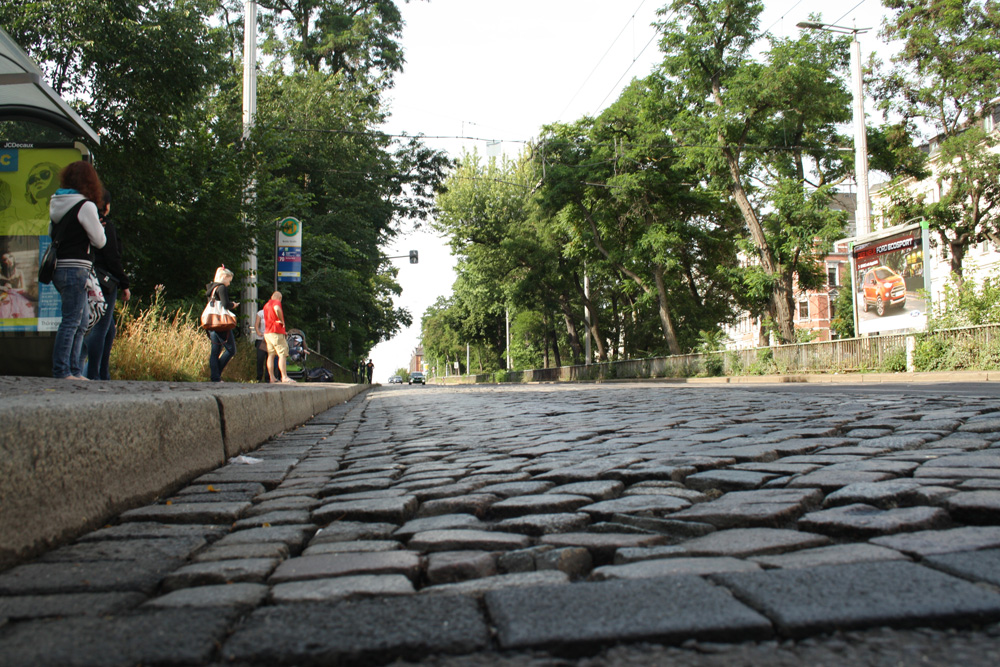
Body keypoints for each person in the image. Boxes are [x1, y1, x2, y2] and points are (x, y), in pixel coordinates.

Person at [49, 161, 106, 380]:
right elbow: (99, 240)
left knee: (81, 321)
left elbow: (51, 232)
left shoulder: (56, 203)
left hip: (59, 267)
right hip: (76, 267)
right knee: (72, 320)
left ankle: (74, 369)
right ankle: (62, 371)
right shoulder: (86, 206)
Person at [83, 189, 130, 380]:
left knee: (109, 329)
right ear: (107, 206)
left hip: (89, 277)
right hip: (105, 281)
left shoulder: (85, 223)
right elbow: (112, 257)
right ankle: (93, 374)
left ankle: (103, 372)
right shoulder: (105, 225)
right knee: (101, 328)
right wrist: (124, 282)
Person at [206, 266, 238, 382]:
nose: (229, 283)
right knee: (231, 350)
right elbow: (225, 304)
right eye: (229, 280)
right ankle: (216, 373)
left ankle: (215, 377)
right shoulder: (221, 288)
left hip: (211, 322)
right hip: (221, 323)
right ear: (224, 277)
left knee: (215, 351)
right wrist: (233, 305)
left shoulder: (211, 288)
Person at [263, 290, 295, 384]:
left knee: (271, 355)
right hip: (276, 332)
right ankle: (284, 376)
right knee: (282, 354)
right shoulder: (276, 302)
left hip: (267, 333)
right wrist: (281, 320)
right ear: (279, 298)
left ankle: (272, 377)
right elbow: (277, 308)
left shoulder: (266, 305)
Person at [254, 306, 280, 383]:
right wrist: (258, 332)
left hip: (270, 338)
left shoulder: (275, 314)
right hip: (261, 339)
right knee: (260, 358)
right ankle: (259, 377)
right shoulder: (260, 313)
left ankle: (268, 377)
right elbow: (256, 324)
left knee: (270, 358)